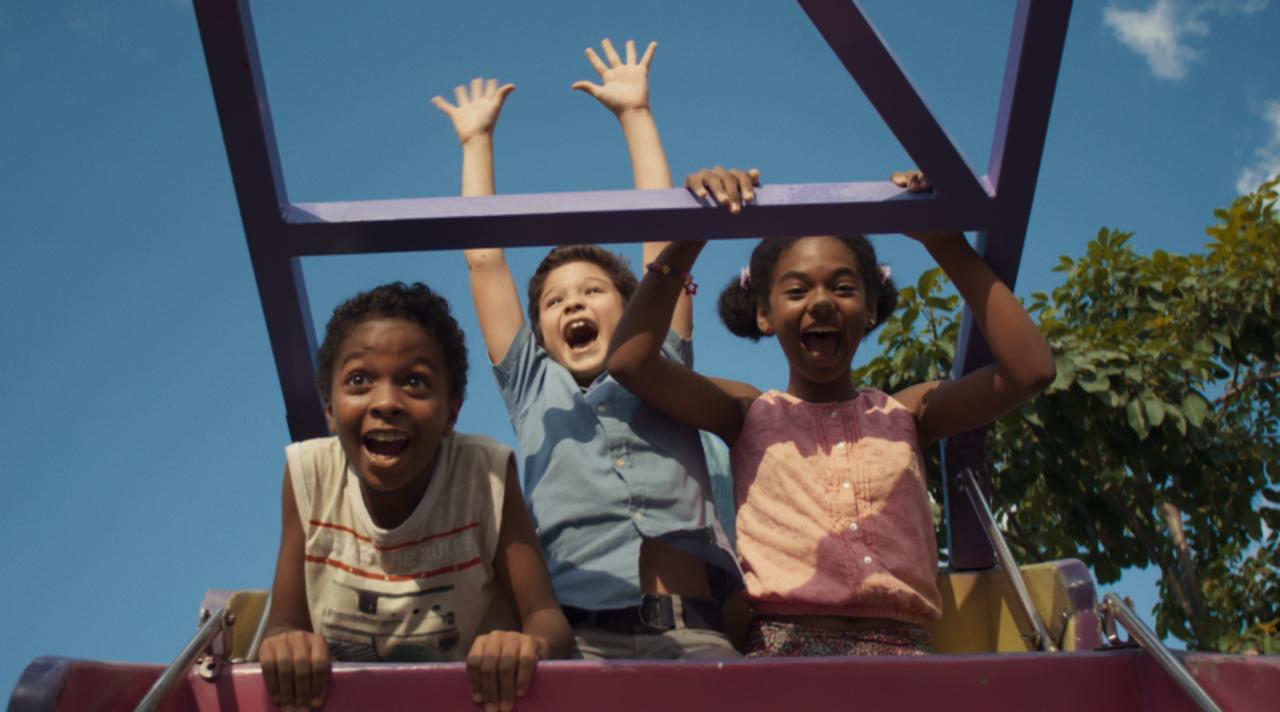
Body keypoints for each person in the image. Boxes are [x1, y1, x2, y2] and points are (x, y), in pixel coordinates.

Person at [607, 167, 1057, 657]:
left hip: (906, 658)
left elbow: (1029, 371)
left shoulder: (904, 414)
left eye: (842, 288)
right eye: (797, 291)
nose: (821, 302)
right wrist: (691, 239)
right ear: (764, 313)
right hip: (785, 655)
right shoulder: (749, 412)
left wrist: (943, 241)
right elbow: (632, 363)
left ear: (870, 310)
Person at [431, 40, 740, 660]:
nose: (571, 305)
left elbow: (662, 247)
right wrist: (475, 144)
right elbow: (484, 260)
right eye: (552, 302)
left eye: (593, 291)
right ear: (538, 333)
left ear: (632, 313)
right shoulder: (530, 383)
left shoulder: (662, 360)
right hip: (576, 635)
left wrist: (635, 114)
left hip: (689, 629)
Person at [258, 282, 572, 712]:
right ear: (329, 408)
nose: (386, 402)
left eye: (414, 382)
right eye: (359, 379)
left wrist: (526, 644)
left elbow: (546, 618)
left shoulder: (484, 473)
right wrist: (288, 646)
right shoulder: (310, 474)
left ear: (451, 414)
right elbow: (283, 627)